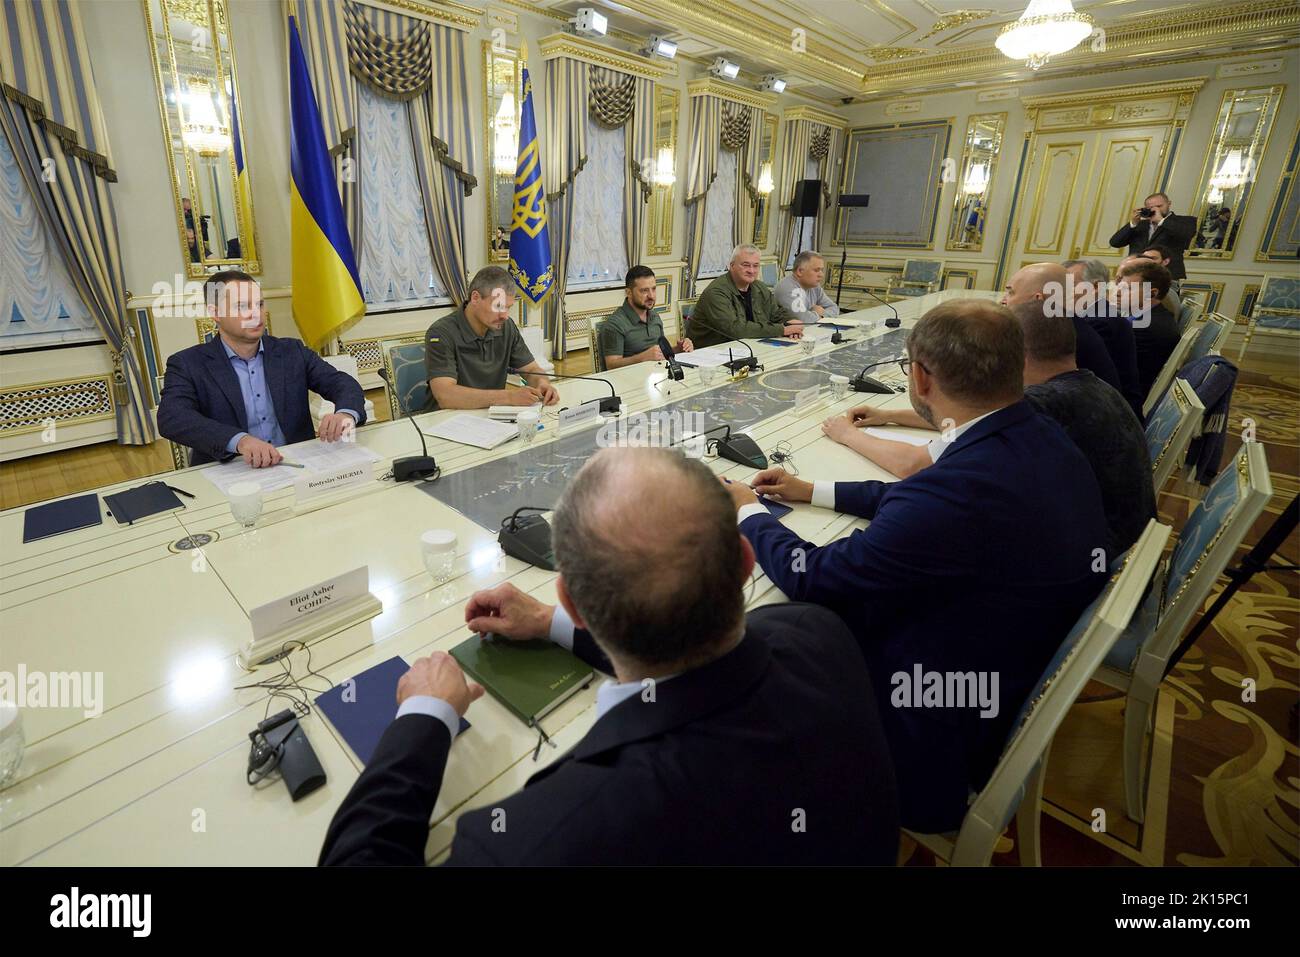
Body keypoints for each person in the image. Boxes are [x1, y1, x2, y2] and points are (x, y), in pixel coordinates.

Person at [318, 448, 900, 866]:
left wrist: (423, 717)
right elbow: (691, 664)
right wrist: (549, 624)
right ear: (747, 563)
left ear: (571, 599)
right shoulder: (816, 630)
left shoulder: (537, 840)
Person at [722, 299, 1108, 832]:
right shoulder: (1032, 431)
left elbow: (813, 576)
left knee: (764, 634)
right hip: (998, 658)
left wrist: (747, 509)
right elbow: (917, 499)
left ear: (922, 378)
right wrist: (812, 490)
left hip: (929, 735)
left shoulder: (962, 490)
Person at [827, 302, 1154, 558]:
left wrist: (847, 434)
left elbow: (914, 465)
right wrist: (889, 415)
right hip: (1113, 553)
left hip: (1091, 564)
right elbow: (972, 413)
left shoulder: (1043, 406)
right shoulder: (1087, 385)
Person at [157, 269, 364, 467]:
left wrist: (345, 414)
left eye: (260, 304)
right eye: (242, 306)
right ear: (216, 313)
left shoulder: (292, 351)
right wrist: (240, 441)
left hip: (296, 464)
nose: (256, 314)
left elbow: (342, 383)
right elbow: (172, 417)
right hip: (231, 470)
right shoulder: (188, 363)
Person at [424, 265, 558, 410]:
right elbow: (445, 396)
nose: (505, 315)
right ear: (475, 298)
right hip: (446, 417)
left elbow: (531, 369)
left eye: (508, 307)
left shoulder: (506, 327)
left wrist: (542, 383)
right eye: (498, 306)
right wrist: (509, 397)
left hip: (491, 414)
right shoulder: (441, 333)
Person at [1000, 262, 1122, 397]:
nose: (1003, 301)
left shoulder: (1059, 338)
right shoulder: (1070, 325)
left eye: (1010, 292)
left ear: (1038, 300)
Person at [1062, 258, 1144, 419]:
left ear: (1096, 287)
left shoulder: (1100, 322)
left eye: (1069, 286)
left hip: (1113, 416)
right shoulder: (1098, 313)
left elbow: (1074, 375)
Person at [688, 243, 803, 347]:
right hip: (713, 352)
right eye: (746, 265)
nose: (751, 271)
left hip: (750, 347)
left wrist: (791, 322)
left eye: (756, 265)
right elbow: (735, 329)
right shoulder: (716, 292)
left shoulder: (760, 287)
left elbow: (778, 313)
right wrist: (782, 330)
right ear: (732, 266)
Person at [598, 265, 693, 369]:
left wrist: (679, 349)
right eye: (644, 290)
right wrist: (643, 357)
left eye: (653, 289)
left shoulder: (655, 316)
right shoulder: (614, 324)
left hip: (658, 374)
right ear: (629, 293)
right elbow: (611, 365)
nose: (651, 296)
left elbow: (661, 353)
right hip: (631, 377)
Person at [1114, 259, 1180, 397]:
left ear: (1152, 293)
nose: (1118, 293)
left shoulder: (1144, 329)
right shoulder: (1154, 316)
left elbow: (1114, 370)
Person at [1108, 192, 1195, 281]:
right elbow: (1115, 243)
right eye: (1150, 208)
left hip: (1167, 276)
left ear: (1169, 204)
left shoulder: (1185, 221)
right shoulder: (1139, 224)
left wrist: (1161, 221)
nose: (1155, 210)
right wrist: (1133, 223)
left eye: (1159, 206)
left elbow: (1187, 234)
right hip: (1137, 276)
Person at [773, 250, 840, 324]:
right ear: (800, 271)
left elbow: (834, 308)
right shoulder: (786, 287)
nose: (821, 275)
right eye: (816, 270)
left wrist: (822, 314)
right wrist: (820, 315)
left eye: (821, 270)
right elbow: (803, 320)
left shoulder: (814, 286)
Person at [1131, 245, 1182, 313]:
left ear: (1165, 261)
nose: (1147, 261)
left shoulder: (1167, 287)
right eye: (1144, 258)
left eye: (1152, 258)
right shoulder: (1142, 282)